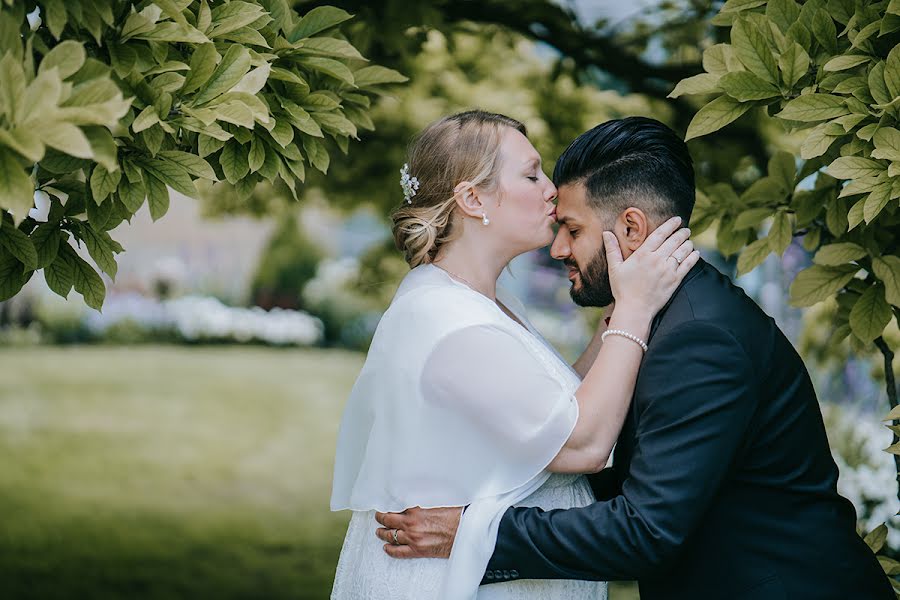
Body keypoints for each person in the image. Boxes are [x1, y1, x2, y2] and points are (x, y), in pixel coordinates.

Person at [374, 117, 895, 600]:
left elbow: (645, 528)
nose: (558, 249)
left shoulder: (700, 337)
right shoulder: (656, 319)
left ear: (630, 228)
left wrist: (474, 533)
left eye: (573, 230)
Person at [329, 110, 698, 600]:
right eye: (531, 174)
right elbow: (582, 446)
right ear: (472, 198)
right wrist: (635, 307)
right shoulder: (449, 323)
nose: (552, 189)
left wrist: (619, 303)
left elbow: (550, 411)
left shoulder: (476, 301)